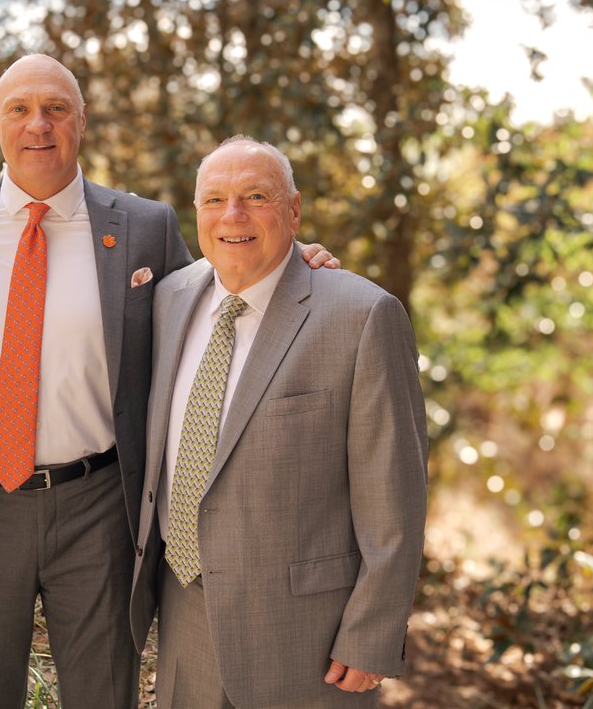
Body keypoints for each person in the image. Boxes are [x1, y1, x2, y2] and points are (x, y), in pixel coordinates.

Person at [0, 54, 337, 709]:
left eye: (57, 108)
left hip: (100, 507)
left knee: (105, 695)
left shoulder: (143, 227)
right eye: (20, 109)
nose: (39, 126)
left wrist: (291, 262)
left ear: (81, 122)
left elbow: (217, 296)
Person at [129, 136, 428, 709]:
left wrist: (372, 632)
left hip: (306, 635)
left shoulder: (361, 315)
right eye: (214, 199)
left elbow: (395, 494)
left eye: (255, 196)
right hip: (186, 615)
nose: (232, 216)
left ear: (293, 212)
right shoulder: (169, 298)